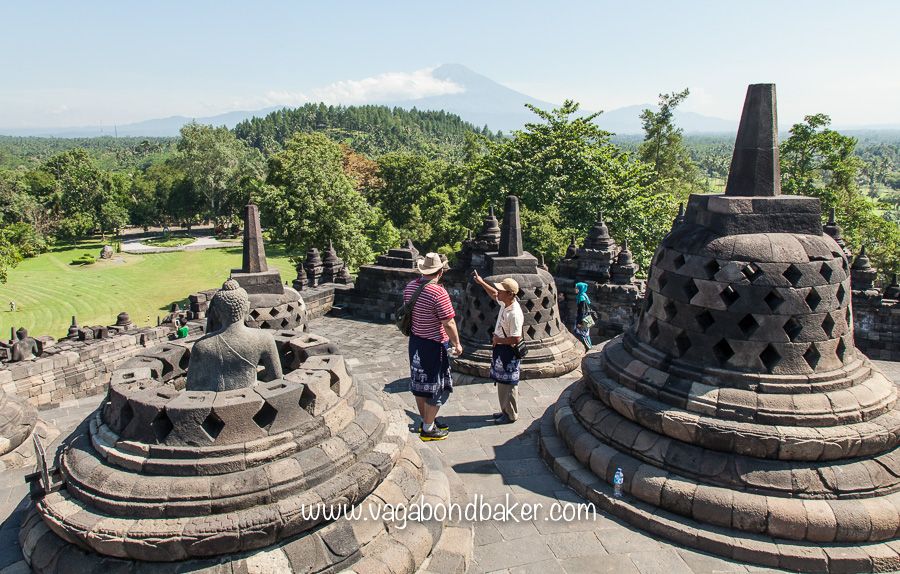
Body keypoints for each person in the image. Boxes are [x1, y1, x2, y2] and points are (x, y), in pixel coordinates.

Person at [404, 252, 463, 441]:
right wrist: (457, 344)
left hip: (416, 342)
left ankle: (425, 420)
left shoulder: (410, 287)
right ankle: (428, 429)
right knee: (436, 386)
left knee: (420, 384)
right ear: (440, 272)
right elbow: (449, 323)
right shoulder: (438, 292)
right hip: (434, 344)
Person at [473, 270, 524, 425]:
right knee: (502, 382)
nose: (498, 294)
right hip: (501, 348)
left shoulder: (514, 313)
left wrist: (498, 339)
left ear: (510, 294)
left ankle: (511, 414)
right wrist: (481, 282)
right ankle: (504, 410)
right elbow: (494, 294)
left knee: (508, 384)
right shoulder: (505, 303)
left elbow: (516, 338)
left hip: (508, 350)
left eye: (502, 291)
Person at [574, 282, 593, 351]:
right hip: (583, 317)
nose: (575, 289)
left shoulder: (582, 297)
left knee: (584, 334)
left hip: (583, 318)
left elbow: (582, 310)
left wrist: (580, 321)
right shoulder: (583, 295)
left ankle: (588, 347)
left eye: (576, 288)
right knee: (584, 334)